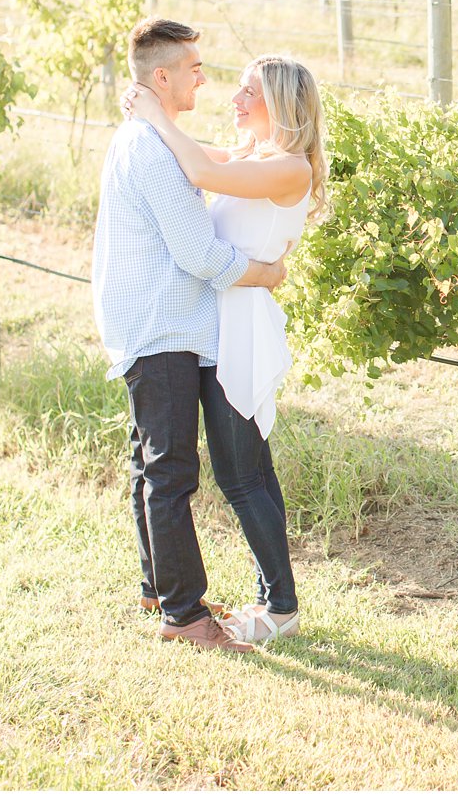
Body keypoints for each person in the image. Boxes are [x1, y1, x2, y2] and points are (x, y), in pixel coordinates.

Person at [92, 18, 287, 654]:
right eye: (195, 68)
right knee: (171, 472)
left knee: (150, 465)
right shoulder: (151, 148)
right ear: (162, 76)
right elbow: (200, 255)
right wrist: (264, 273)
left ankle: (158, 586)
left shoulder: (149, 137)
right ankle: (185, 615)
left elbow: (218, 162)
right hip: (163, 324)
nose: (204, 77)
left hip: (150, 321)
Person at [122, 53, 327, 645]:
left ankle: (280, 606)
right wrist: (149, 118)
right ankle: (272, 598)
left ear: (282, 105)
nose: (234, 100)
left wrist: (157, 116)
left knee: (243, 477)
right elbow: (198, 160)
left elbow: (199, 172)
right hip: (220, 330)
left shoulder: (291, 169)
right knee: (247, 472)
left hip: (242, 333)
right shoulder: (257, 157)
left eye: (247, 92)